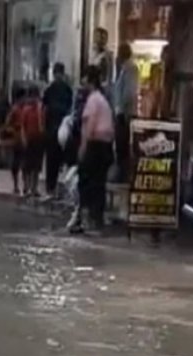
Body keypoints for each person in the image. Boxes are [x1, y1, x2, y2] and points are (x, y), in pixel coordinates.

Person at [72, 65, 115, 234]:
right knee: (98, 184)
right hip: (104, 147)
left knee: (88, 183)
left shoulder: (93, 100)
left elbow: (88, 127)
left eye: (84, 78)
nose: (82, 82)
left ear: (89, 80)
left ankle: (88, 220)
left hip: (95, 146)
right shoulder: (102, 100)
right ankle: (95, 221)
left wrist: (82, 149)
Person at [43, 63, 73, 196]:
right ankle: (60, 188)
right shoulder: (67, 90)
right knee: (63, 159)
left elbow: (44, 109)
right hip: (64, 129)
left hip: (52, 129)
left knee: (52, 160)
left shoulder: (49, 90)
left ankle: (51, 187)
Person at [114, 43, 139, 185]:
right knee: (120, 145)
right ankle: (122, 173)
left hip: (126, 113)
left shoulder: (130, 68)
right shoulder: (124, 68)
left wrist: (121, 109)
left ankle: (124, 175)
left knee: (123, 145)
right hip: (122, 113)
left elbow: (129, 92)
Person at [0, 86, 27, 195]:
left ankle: (25, 185)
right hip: (17, 139)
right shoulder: (15, 109)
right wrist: (14, 130)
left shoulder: (22, 108)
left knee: (24, 163)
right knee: (16, 163)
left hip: (23, 138)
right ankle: (16, 185)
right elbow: (7, 124)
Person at [19, 85, 45, 197]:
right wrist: (23, 137)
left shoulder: (41, 110)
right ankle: (26, 186)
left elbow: (42, 125)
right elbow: (22, 126)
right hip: (29, 139)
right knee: (27, 165)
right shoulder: (26, 110)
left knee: (36, 166)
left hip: (39, 139)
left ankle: (34, 188)